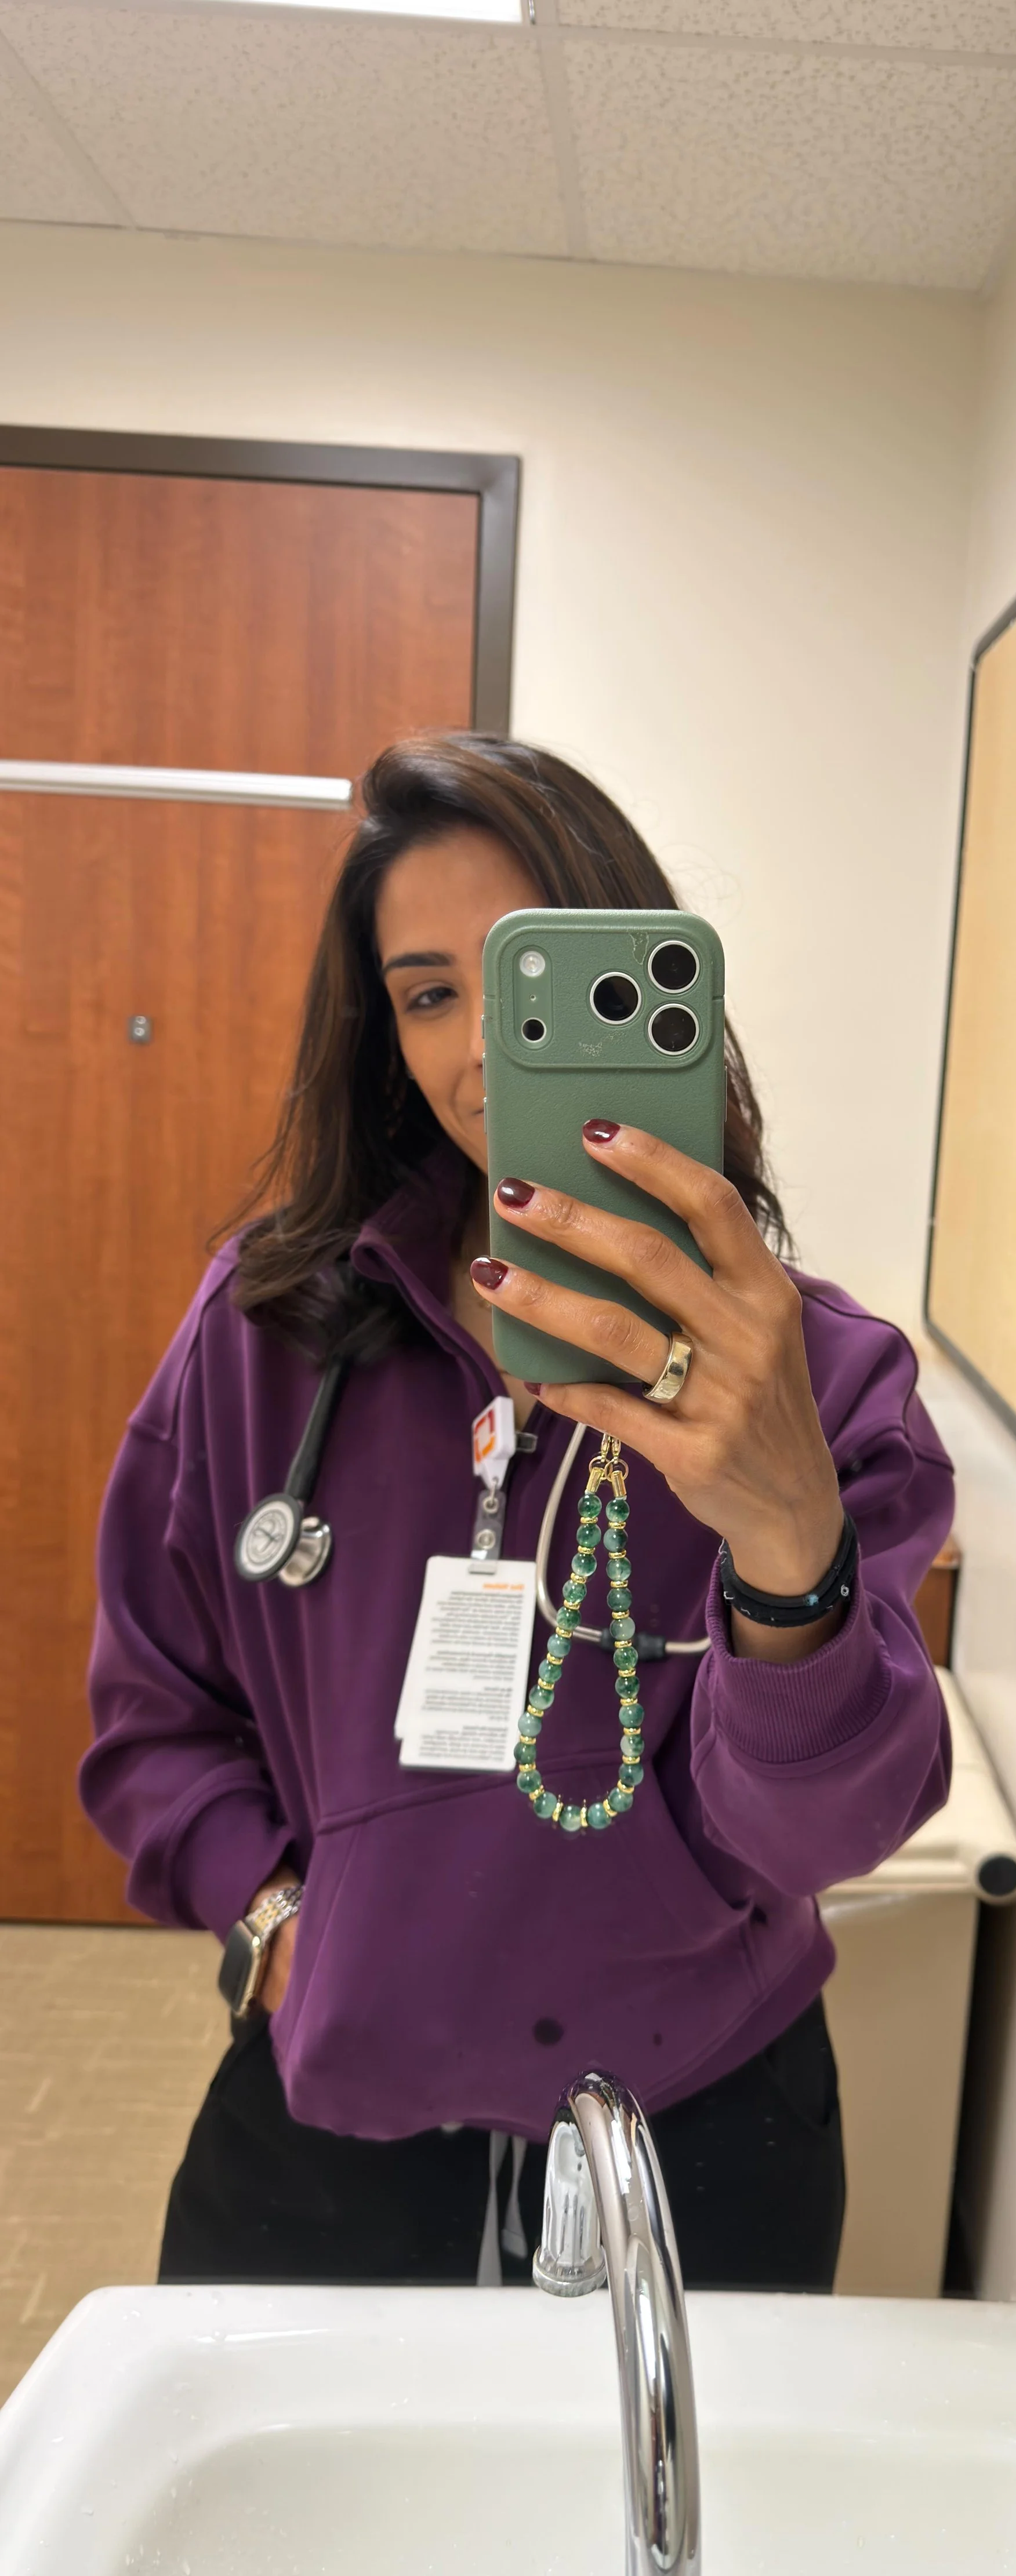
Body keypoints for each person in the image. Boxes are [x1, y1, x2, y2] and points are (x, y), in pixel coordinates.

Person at [82, 734, 954, 2293]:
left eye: (535, 988)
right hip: (333, 2104)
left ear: (658, 997)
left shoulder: (818, 1376)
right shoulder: (267, 1334)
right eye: (429, 995)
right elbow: (153, 1714)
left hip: (696, 2127)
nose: (489, 1054)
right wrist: (271, 1921)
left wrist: (783, 1540)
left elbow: (830, 1831)